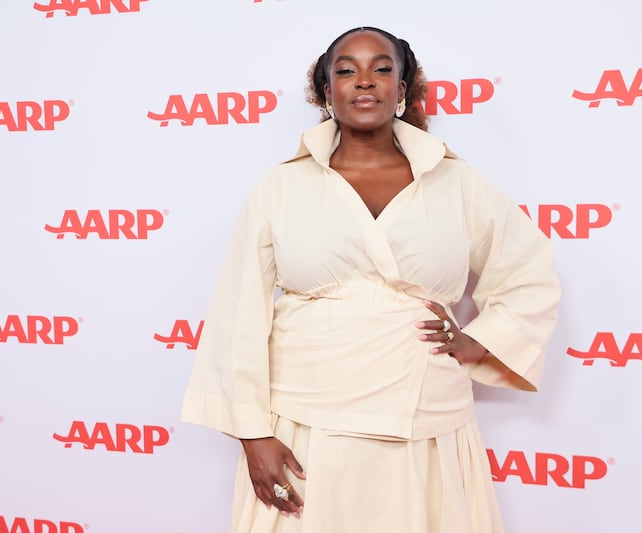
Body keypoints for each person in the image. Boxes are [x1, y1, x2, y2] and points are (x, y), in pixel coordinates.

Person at [181, 26, 560, 533]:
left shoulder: (457, 182)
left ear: (402, 90)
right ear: (325, 91)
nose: (365, 81)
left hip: (424, 419)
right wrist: (253, 436)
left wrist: (478, 341)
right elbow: (239, 310)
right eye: (346, 70)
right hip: (307, 424)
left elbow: (528, 273)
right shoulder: (280, 186)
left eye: (382, 68)